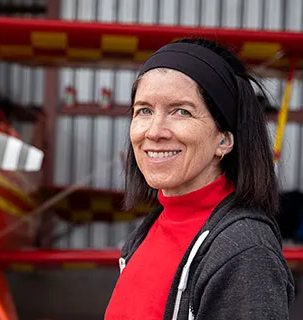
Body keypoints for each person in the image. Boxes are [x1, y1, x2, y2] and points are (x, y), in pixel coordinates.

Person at [104, 38, 295, 319]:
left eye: (181, 111)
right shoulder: (149, 229)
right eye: (144, 110)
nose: (155, 131)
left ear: (224, 139)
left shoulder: (246, 251)